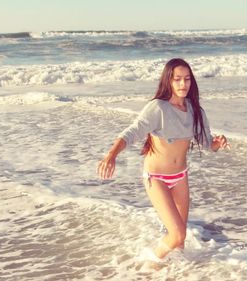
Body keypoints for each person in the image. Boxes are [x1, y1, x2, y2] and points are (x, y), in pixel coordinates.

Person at [97, 58, 229, 261]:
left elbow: (206, 143)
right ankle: (148, 266)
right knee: (177, 235)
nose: (183, 84)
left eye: (187, 79)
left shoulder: (196, 112)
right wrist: (111, 155)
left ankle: (179, 272)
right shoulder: (158, 108)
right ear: (168, 81)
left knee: (180, 240)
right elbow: (132, 132)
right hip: (156, 177)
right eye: (177, 79)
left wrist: (217, 144)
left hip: (180, 178)